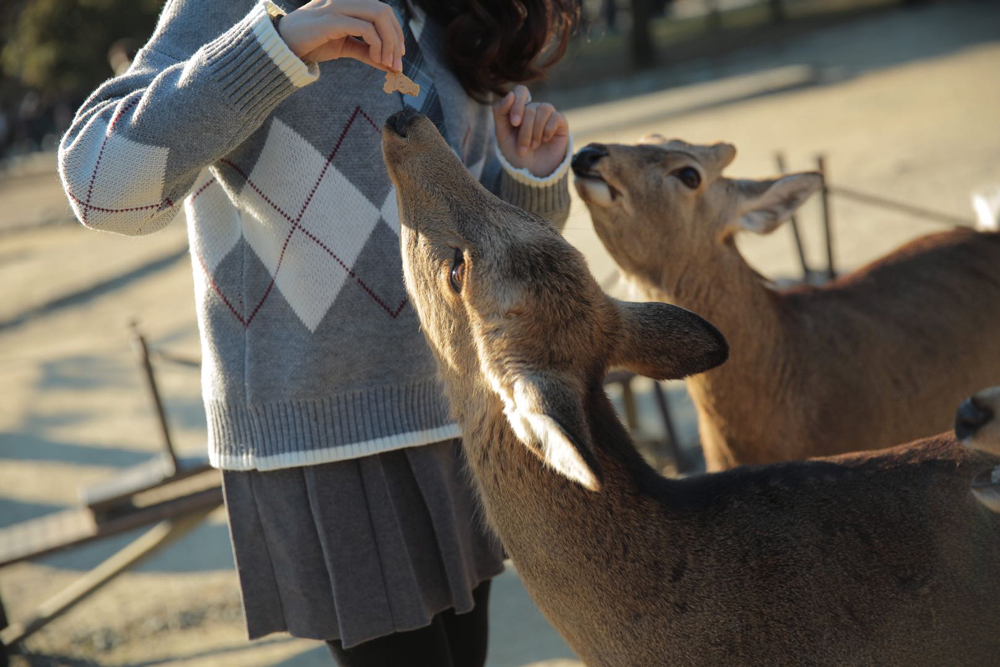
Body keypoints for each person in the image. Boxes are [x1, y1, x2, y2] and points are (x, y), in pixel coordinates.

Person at [58, 1, 580, 665]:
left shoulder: (453, 13)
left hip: (460, 428)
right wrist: (276, 47)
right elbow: (100, 183)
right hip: (328, 443)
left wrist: (529, 178)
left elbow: (478, 264)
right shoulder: (232, 8)